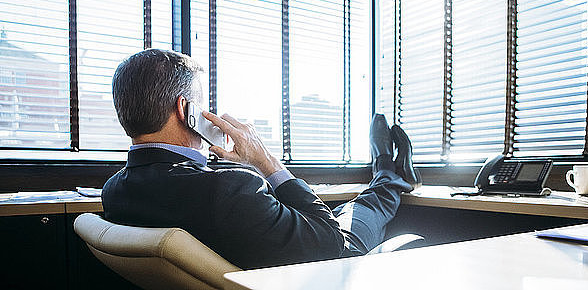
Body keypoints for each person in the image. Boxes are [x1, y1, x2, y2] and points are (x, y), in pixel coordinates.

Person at [102, 49, 422, 269]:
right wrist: (266, 161)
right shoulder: (228, 187)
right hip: (325, 264)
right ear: (186, 111)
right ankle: (387, 175)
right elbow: (330, 241)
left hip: (275, 245)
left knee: (345, 209)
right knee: (365, 207)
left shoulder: (115, 189)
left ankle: (387, 172)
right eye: (201, 105)